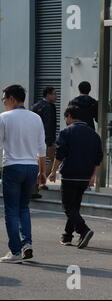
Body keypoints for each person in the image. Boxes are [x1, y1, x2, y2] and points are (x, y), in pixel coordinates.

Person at [0, 85, 47, 263]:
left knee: (11, 210)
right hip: (31, 167)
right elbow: (41, 147)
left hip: (13, 167)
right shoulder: (36, 118)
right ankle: (26, 243)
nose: (4, 103)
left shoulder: (4, 118)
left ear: (11, 98)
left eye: (4, 99)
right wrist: (42, 171)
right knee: (24, 208)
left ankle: (15, 252)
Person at [48, 105, 103, 248]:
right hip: (85, 176)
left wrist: (53, 171)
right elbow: (98, 158)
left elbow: (60, 154)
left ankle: (84, 230)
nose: (66, 120)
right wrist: (93, 176)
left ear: (70, 116)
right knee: (74, 208)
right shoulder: (94, 134)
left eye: (66, 117)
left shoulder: (66, 132)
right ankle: (67, 236)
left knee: (68, 207)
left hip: (70, 175)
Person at [30, 86, 57, 195]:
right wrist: (49, 142)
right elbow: (48, 126)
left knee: (37, 161)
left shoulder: (35, 106)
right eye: (54, 94)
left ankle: (37, 184)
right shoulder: (49, 107)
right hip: (46, 140)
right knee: (55, 159)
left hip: (33, 139)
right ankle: (39, 181)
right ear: (48, 95)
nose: (56, 96)